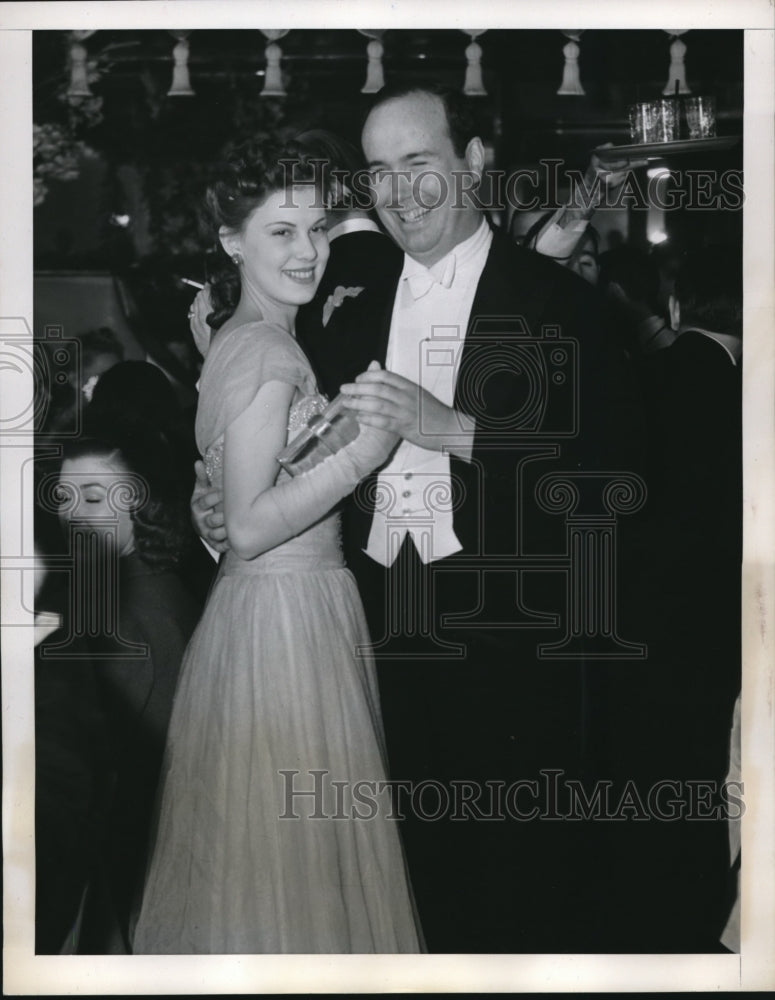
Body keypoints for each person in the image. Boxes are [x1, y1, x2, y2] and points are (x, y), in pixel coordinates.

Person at [192, 87, 645, 952]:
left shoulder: (563, 304)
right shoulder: (346, 312)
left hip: (517, 664)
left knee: (516, 914)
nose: (398, 192)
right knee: (388, 912)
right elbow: (289, 471)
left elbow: (619, 481)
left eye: (418, 163)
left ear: (473, 163)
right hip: (363, 655)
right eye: (377, 172)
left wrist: (455, 430)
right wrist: (219, 510)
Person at [132, 137, 423, 954]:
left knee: (267, 864)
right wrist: (369, 449)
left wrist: (212, 509)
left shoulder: (235, 338)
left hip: (265, 614)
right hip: (288, 622)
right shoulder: (264, 350)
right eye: (280, 233)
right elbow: (257, 526)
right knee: (297, 877)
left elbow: (232, 505)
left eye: (317, 229)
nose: (309, 251)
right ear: (231, 243)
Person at [51, 432, 203, 952]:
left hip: (137, 862)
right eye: (64, 499)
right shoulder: (154, 582)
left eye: (94, 498)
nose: (74, 515)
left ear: (141, 503)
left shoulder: (130, 611)